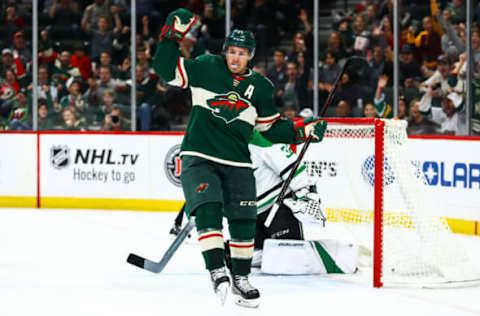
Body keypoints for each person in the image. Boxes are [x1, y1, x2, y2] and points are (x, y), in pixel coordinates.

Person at [152, 8, 327, 308]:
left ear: (251, 56)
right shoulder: (206, 67)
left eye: (242, 53)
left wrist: (303, 131)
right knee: (207, 210)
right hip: (199, 155)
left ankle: (241, 279)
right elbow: (166, 70)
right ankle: (217, 269)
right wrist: (171, 37)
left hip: (238, 162)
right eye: (232, 52)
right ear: (225, 52)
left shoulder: (261, 88)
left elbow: (270, 130)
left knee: (244, 220)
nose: (235, 58)